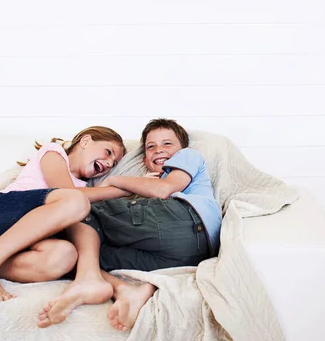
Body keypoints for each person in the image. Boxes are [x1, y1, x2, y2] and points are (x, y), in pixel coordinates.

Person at [37, 118, 222, 332]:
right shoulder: (149, 183)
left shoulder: (189, 156)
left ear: (182, 150)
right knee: (84, 253)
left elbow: (165, 189)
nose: (158, 150)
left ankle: (82, 277)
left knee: (78, 209)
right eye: (151, 147)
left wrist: (114, 181)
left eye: (167, 144)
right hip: (189, 254)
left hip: (187, 217)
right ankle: (126, 291)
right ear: (145, 159)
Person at [0, 126, 128, 302]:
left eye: (114, 163)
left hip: (3, 245)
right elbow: (67, 191)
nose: (109, 163)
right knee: (76, 202)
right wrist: (120, 190)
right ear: (85, 141)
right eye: (108, 152)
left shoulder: (84, 190)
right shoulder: (54, 153)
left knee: (64, 256)